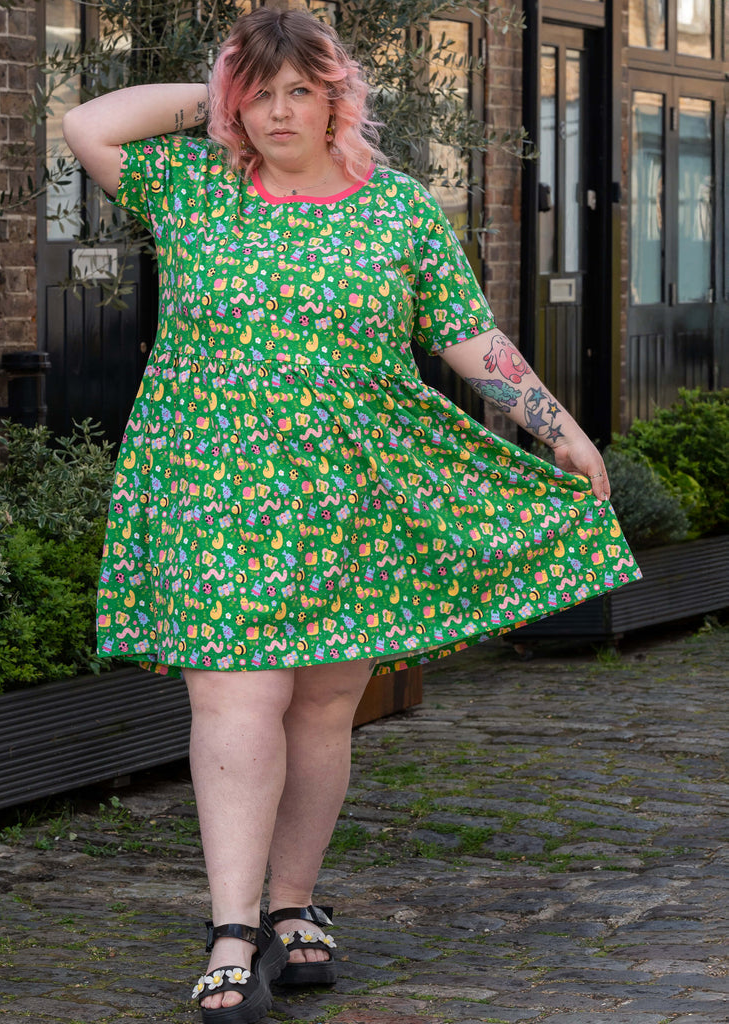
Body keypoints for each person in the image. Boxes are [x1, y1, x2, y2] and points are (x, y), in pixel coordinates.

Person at [63, 7, 640, 1022]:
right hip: (214, 485)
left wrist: (558, 427)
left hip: (353, 491)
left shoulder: (400, 211)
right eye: (263, 93)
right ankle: (233, 927)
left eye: (300, 90)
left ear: (340, 98)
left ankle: (296, 907)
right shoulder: (193, 187)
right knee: (236, 703)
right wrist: (223, 95)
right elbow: (87, 126)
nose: (280, 112)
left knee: (324, 706)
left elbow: (467, 337)